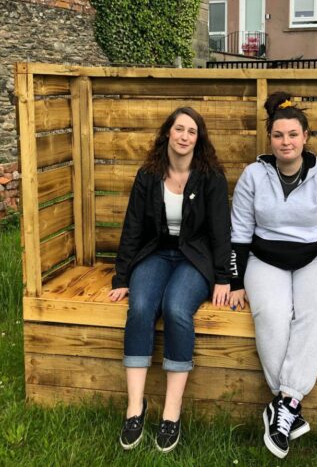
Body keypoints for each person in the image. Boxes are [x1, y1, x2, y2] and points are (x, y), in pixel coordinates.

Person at [229, 92, 317, 459]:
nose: (285, 142)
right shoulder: (253, 175)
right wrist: (237, 281)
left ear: (305, 137)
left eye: (292, 135)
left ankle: (284, 403)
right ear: (269, 139)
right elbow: (239, 233)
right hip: (264, 260)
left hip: (314, 261)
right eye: (278, 135)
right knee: (271, 314)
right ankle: (290, 402)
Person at [108, 106, 232, 453]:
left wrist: (224, 277)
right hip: (157, 253)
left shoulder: (211, 176)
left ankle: (171, 412)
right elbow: (133, 226)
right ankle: (135, 408)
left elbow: (222, 231)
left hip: (196, 259)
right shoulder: (148, 174)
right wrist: (121, 277)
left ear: (199, 139)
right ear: (167, 133)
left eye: (192, 132)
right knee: (142, 305)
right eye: (179, 129)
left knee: (176, 307)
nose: (184, 137)